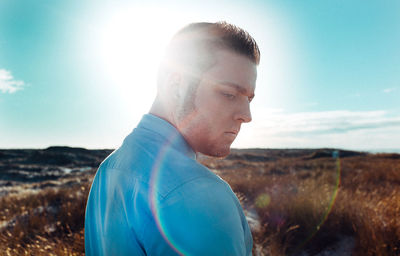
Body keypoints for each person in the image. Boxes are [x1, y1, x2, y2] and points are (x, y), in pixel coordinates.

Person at [85, 21, 260, 256]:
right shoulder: (198, 194)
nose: (246, 116)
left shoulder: (110, 169)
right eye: (228, 94)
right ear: (176, 85)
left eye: (249, 99)